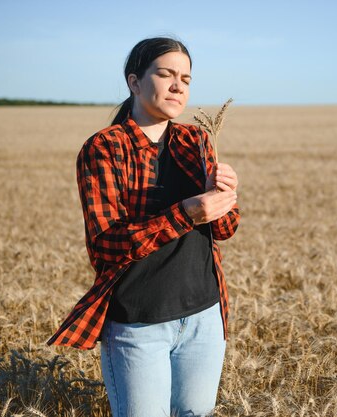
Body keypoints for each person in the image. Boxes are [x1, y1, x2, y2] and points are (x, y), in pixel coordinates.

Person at [47, 37, 240, 417]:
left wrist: (225, 196)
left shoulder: (197, 139)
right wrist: (187, 213)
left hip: (203, 315)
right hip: (138, 322)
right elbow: (106, 245)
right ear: (134, 82)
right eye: (165, 74)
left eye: (186, 78)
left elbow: (225, 229)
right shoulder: (104, 148)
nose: (178, 86)